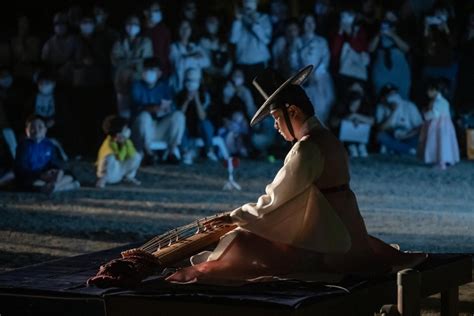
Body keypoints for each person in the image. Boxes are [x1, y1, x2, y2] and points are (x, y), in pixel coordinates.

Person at [165, 65, 427, 284]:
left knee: (240, 242)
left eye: (277, 118)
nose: (277, 127)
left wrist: (235, 217)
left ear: (293, 112)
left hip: (327, 234)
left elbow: (275, 199)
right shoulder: (328, 139)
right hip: (348, 225)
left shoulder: (307, 148)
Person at [131, 58, 185, 164]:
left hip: (160, 126)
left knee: (179, 116)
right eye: (147, 69)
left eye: (153, 70)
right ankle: (148, 154)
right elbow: (136, 107)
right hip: (143, 128)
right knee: (144, 116)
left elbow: (170, 106)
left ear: (159, 73)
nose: (149, 73)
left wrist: (164, 109)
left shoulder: (164, 87)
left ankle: (172, 151)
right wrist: (151, 108)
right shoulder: (136, 86)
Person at [14, 115, 79, 193]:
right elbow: (21, 169)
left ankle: (54, 186)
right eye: (32, 128)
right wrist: (40, 175)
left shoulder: (48, 145)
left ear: (45, 130)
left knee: (68, 174)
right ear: (26, 131)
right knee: (28, 182)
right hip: (33, 176)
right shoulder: (23, 146)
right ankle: (60, 187)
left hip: (47, 175)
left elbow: (54, 162)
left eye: (40, 127)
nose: (36, 130)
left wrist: (55, 171)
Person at [175, 67, 217, 164]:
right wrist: (187, 100)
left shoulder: (205, 96)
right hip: (185, 128)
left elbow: (202, 117)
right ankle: (185, 152)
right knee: (180, 125)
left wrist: (196, 99)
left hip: (198, 127)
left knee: (206, 124)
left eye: (194, 81)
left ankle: (209, 150)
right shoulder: (179, 95)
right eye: (189, 80)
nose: (191, 83)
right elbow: (178, 116)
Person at [368, 10, 411, 99]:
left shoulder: (402, 30)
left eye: (391, 17)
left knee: (402, 98)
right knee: (381, 97)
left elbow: (406, 48)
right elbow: (370, 49)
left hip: (400, 72)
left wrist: (392, 35)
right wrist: (378, 35)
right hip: (381, 71)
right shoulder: (377, 29)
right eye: (386, 18)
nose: (388, 20)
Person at [418, 80, 459, 170]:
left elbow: (434, 114)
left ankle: (441, 162)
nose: (427, 93)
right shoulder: (441, 101)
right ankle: (444, 160)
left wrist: (425, 115)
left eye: (429, 90)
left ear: (434, 90)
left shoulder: (438, 102)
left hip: (439, 126)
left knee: (440, 143)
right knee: (443, 143)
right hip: (443, 126)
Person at [375, 84, 423, 155]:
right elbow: (381, 128)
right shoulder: (381, 107)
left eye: (395, 94)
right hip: (393, 136)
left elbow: (419, 127)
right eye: (390, 95)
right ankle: (407, 150)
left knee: (420, 138)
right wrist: (393, 111)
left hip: (409, 135)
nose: (394, 97)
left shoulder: (409, 106)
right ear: (384, 97)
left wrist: (406, 136)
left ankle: (395, 148)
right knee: (380, 136)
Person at [96, 115, 142, 188]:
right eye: (125, 129)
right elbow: (119, 157)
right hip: (111, 175)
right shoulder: (109, 144)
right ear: (117, 133)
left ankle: (128, 177)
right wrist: (123, 145)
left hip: (120, 170)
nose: (127, 131)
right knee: (110, 157)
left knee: (137, 156)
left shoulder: (126, 141)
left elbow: (132, 154)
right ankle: (102, 180)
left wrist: (125, 143)